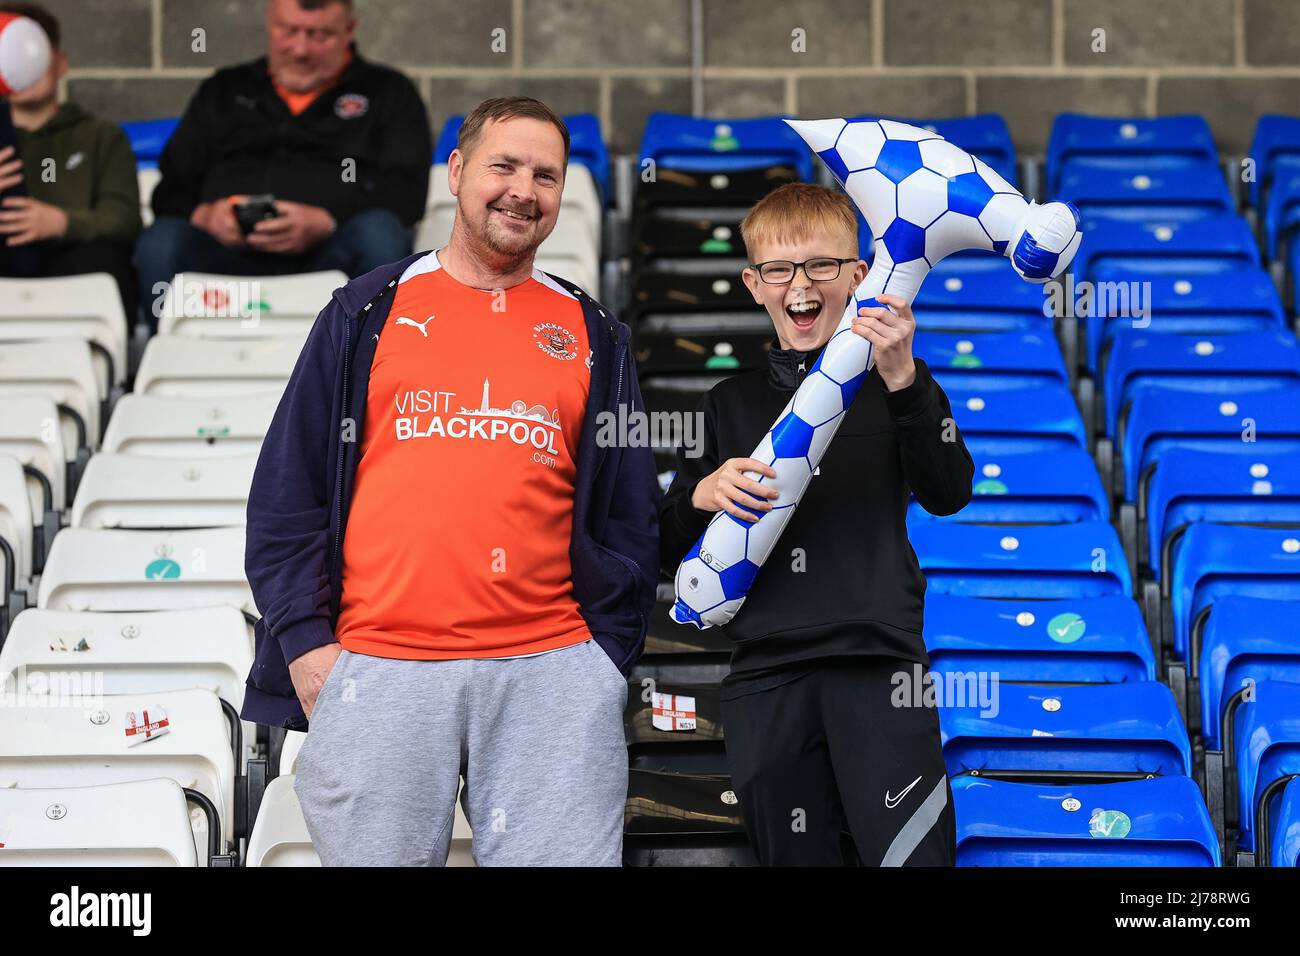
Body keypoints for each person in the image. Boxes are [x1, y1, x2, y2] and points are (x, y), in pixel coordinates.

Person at [241, 96, 659, 867]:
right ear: (458, 172)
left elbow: (632, 511)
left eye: (545, 175)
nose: (522, 191)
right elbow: (285, 493)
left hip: (552, 672)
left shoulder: (596, 333)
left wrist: (602, 659)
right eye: (503, 166)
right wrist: (306, 646)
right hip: (378, 668)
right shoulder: (365, 309)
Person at [659, 183, 974, 866]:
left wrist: (904, 378)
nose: (799, 285)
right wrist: (703, 495)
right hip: (765, 679)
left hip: (880, 667)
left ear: (859, 276)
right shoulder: (727, 404)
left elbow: (950, 490)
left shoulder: (899, 385)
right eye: (779, 269)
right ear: (753, 283)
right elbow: (662, 544)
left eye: (821, 266)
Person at [135, 0, 430, 328]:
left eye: (320, 35)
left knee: (380, 234)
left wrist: (327, 221)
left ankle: (370, 368)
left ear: (350, 30)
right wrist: (206, 215)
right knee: (160, 242)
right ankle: (162, 361)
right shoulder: (224, 89)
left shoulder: (388, 93)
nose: (301, 49)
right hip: (223, 257)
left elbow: (407, 193)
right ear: (269, 23)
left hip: (332, 255)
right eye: (288, 31)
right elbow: (170, 189)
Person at [0, 1, 141, 320]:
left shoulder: (101, 136)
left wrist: (62, 224)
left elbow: (124, 220)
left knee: (107, 261)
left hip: (73, 265)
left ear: (58, 62)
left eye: (30, 54)